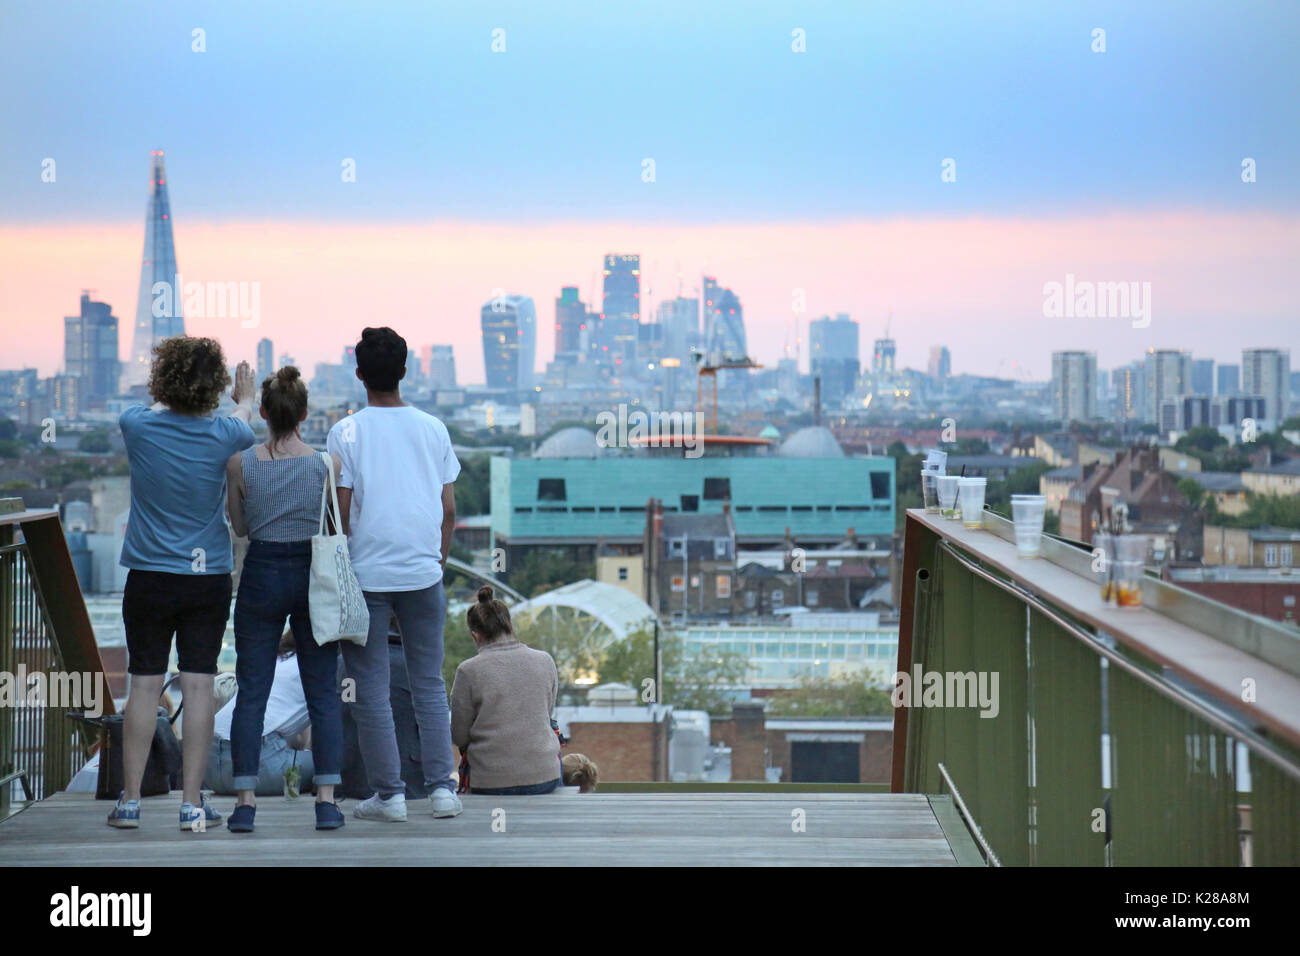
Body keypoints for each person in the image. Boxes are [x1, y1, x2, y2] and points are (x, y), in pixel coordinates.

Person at [108, 337, 256, 830]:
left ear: (162, 380)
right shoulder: (227, 433)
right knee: (199, 686)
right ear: (214, 386)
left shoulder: (137, 425)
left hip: (149, 577)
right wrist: (244, 396)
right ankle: (192, 803)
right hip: (205, 577)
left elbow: (150, 408)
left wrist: (168, 395)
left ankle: (130, 802)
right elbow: (244, 416)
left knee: (144, 686)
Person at [326, 327, 461, 822]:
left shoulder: (346, 432)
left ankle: (391, 796)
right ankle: (443, 789)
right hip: (423, 572)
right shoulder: (433, 428)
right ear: (405, 371)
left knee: (371, 690)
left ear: (359, 374)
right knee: (429, 684)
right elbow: (449, 510)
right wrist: (437, 561)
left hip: (366, 574)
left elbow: (339, 515)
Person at [224, 366, 345, 831]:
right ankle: (327, 802)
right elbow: (333, 524)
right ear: (304, 415)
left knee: (252, 690)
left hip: (262, 573)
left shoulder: (240, 463)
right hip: (313, 574)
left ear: (264, 413)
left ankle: (245, 803)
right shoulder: (326, 464)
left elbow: (240, 528)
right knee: (323, 691)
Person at [451, 587, 563, 795]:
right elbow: (546, 714)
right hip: (545, 777)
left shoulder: (468, 670)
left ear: (475, 635)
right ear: (510, 625)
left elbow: (459, 735)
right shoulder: (545, 661)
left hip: (490, 782)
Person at [207, 632, 318, 798]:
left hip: (210, 770)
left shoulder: (275, 659)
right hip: (260, 769)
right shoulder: (319, 666)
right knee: (330, 768)